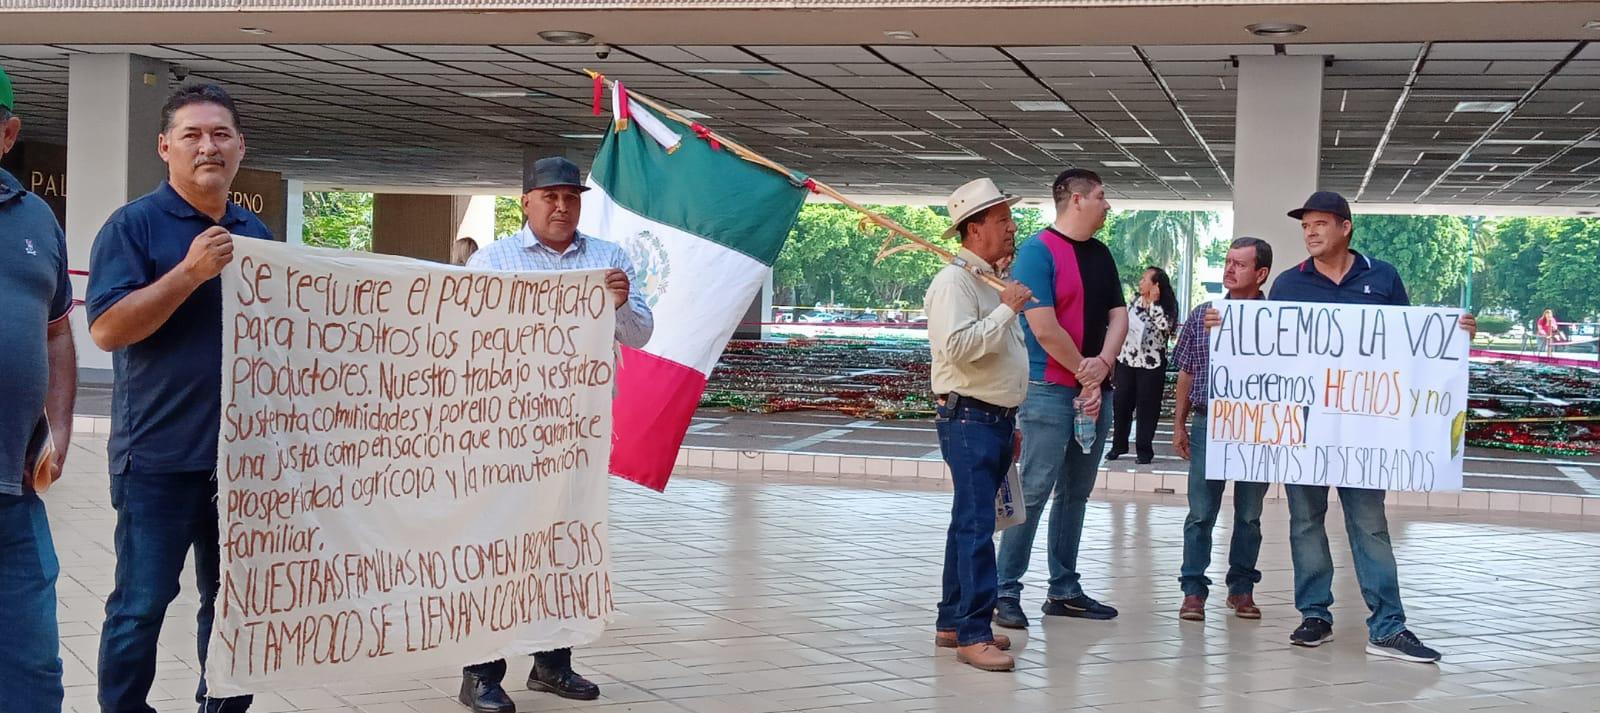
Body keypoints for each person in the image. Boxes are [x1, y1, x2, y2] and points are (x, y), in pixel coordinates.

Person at [1206, 192, 1475, 663]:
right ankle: (1315, 615)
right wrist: (1224, 325)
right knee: (1305, 522)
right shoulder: (1290, 284)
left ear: (1345, 227)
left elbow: (1411, 344)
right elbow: (1265, 347)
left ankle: (1388, 625)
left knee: (1370, 525)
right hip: (1305, 431)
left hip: (1363, 433)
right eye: (1306, 225)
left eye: (1320, 224)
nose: (1310, 232)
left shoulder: (1383, 276)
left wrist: (1453, 335)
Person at [88, 83, 270, 713]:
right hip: (157, 460)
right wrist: (188, 273)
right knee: (140, 606)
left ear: (241, 147)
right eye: (192, 135)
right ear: (165, 147)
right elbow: (108, 329)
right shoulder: (132, 226)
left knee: (234, 607)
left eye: (220, 134)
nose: (207, 146)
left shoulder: (257, 232)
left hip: (243, 465)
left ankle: (219, 705)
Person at [457, 156, 653, 712]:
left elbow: (641, 333)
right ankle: (481, 671)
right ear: (527, 202)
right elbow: (465, 336)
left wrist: (615, 304)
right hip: (507, 430)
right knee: (498, 546)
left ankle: (552, 663)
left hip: (579, 430)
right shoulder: (494, 261)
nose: (562, 206)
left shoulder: (607, 259)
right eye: (550, 196)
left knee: (565, 545)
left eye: (571, 196)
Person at [993, 168, 1127, 629]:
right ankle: (1004, 589)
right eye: (1101, 196)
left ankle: (1064, 588)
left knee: (1077, 493)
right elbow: (1043, 327)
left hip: (1095, 389)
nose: (1107, 205)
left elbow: (1119, 316)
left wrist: (1103, 367)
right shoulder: (1036, 252)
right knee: (1034, 490)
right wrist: (1085, 375)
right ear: (1076, 199)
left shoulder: (1101, 255)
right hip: (1049, 390)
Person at [925, 178, 1032, 672]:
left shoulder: (987, 281)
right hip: (968, 416)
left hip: (992, 417)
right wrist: (1006, 312)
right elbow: (958, 348)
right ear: (974, 229)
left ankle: (953, 621)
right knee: (976, 527)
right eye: (1001, 220)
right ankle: (973, 630)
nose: (1011, 228)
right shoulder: (954, 283)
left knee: (968, 523)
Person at [0, 62, 77, 713]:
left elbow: (56, 333)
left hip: (12, 498)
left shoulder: (36, 222)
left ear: (7, 134)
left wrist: (58, 432)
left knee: (33, 676)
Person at [1171, 238, 1273, 622]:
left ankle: (1242, 587)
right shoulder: (1203, 314)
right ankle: (1193, 590)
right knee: (1201, 512)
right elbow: (1187, 371)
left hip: (1257, 425)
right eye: (1228, 262)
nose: (1230, 270)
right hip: (1207, 419)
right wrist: (1179, 424)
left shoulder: (1279, 317)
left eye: (1240, 265)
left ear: (1260, 273)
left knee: (1249, 514)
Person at [1107, 266, 1177, 464]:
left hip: (1151, 363)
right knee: (1121, 403)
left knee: (1147, 408)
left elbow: (1165, 327)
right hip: (1127, 359)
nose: (1141, 282)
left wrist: (1154, 304)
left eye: (1145, 279)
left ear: (1156, 284)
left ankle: (1144, 450)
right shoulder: (1134, 301)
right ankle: (1118, 445)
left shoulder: (1167, 304)